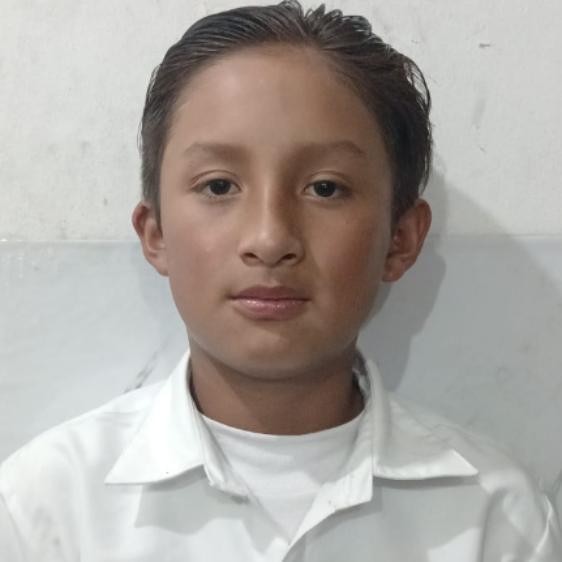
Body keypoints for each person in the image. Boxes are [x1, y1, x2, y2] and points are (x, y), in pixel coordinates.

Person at [1, 0, 560, 560]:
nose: (270, 239)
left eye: (325, 188)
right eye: (219, 186)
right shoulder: (45, 508)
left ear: (401, 238)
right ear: (156, 233)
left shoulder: (494, 517)